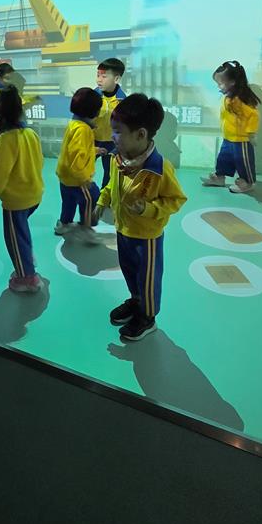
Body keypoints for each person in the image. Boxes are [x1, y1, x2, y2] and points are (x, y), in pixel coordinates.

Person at [95, 93, 187, 341]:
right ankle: (136, 301)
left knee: (148, 278)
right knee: (129, 271)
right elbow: (111, 186)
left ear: (141, 134)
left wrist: (147, 209)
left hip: (147, 238)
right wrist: (102, 200)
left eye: (117, 131)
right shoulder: (118, 159)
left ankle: (148, 317)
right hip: (123, 230)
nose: (112, 136)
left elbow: (176, 200)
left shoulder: (159, 168)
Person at [0, 86, 44, 292]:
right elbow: (39, 162)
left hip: (16, 200)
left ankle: (27, 278)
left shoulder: (3, 140)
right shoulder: (31, 134)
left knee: (14, 237)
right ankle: (26, 257)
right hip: (35, 193)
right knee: (21, 231)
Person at [201, 60, 260, 193]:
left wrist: (251, 133)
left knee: (243, 162)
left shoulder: (238, 100)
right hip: (228, 137)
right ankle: (219, 177)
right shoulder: (228, 97)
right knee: (223, 159)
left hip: (241, 140)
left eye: (220, 83)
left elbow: (254, 115)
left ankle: (248, 182)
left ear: (232, 82)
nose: (218, 86)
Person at [55, 87, 105, 243]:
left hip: (65, 177)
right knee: (92, 198)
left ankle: (63, 224)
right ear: (92, 111)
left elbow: (74, 150)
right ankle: (86, 228)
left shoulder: (74, 124)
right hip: (78, 180)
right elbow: (77, 160)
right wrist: (85, 180)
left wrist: (94, 150)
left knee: (68, 202)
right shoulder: (84, 130)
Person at [94, 58, 127, 187]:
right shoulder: (92, 97)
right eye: (98, 75)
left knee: (109, 173)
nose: (99, 80)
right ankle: (85, 195)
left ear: (116, 79)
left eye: (104, 76)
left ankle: (104, 196)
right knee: (83, 169)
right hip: (92, 141)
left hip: (112, 143)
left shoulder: (123, 101)